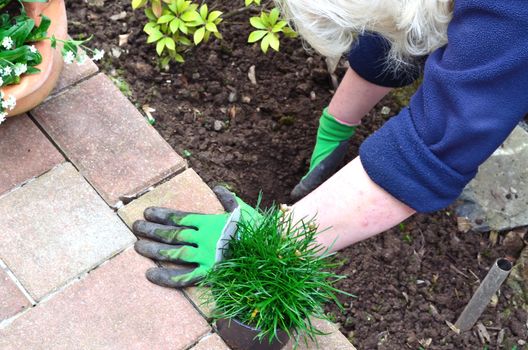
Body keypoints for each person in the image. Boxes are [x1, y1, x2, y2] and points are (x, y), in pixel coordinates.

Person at [133, 1, 528, 287]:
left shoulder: (509, 16)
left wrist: (272, 242)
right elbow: (400, 27)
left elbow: (438, 142)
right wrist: (337, 125)